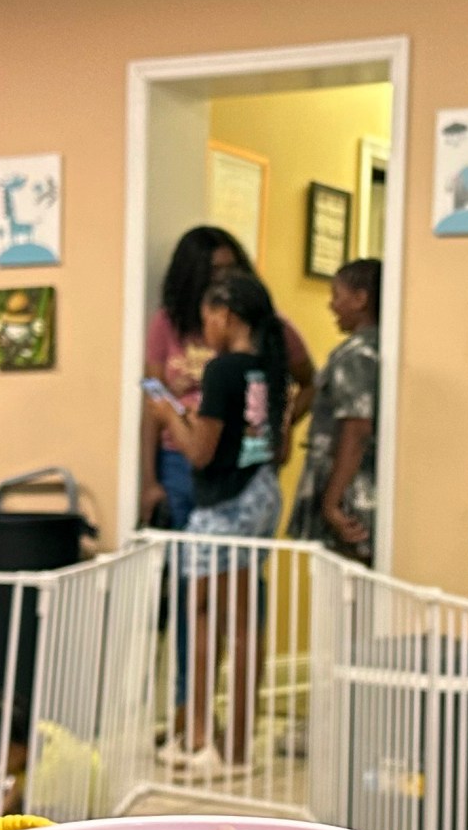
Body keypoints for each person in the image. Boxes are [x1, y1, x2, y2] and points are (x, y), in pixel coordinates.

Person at [142, 272, 289, 770]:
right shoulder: (269, 366)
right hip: (259, 494)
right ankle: (237, 742)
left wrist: (167, 415)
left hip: (221, 503)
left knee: (205, 614)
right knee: (243, 619)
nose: (203, 327)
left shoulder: (224, 370)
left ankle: (201, 736)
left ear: (225, 314)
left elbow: (200, 452)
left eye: (207, 316)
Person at [140, 226, 317, 529]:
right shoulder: (167, 323)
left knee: (221, 562)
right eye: (213, 270)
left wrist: (274, 422)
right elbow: (153, 400)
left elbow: (309, 383)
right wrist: (149, 480)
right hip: (177, 456)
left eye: (230, 267)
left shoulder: (266, 334)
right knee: (194, 559)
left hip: (237, 461)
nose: (223, 277)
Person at [287, 258, 381, 563]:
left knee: (345, 596)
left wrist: (331, 503)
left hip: (352, 497)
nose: (331, 305)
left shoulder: (355, 355)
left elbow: (356, 429)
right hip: (365, 490)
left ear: (360, 298)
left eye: (336, 295)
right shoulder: (383, 347)